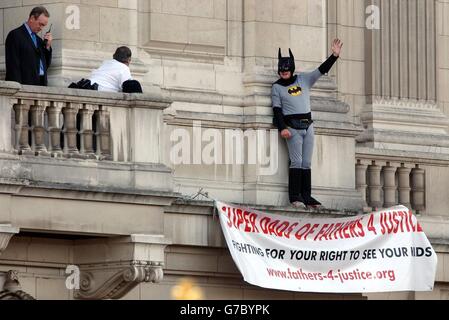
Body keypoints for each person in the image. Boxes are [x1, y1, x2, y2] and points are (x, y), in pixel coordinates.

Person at [272, 39, 343, 209]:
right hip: (292, 127)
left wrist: (334, 56)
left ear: (292, 68)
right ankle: (295, 196)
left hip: (308, 125)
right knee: (296, 162)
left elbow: (321, 71)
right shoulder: (277, 87)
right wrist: (282, 128)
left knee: (306, 163)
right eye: (282, 70)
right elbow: (277, 110)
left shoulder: (304, 79)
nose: (284, 72)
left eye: (287, 69)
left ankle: (306, 196)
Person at [5, 6, 53, 86]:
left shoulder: (39, 40)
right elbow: (13, 65)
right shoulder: (15, 35)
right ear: (32, 18)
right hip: (25, 86)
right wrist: (17, 88)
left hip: (41, 85)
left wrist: (47, 46)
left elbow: (45, 65)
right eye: (40, 24)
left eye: (44, 25)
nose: (41, 28)